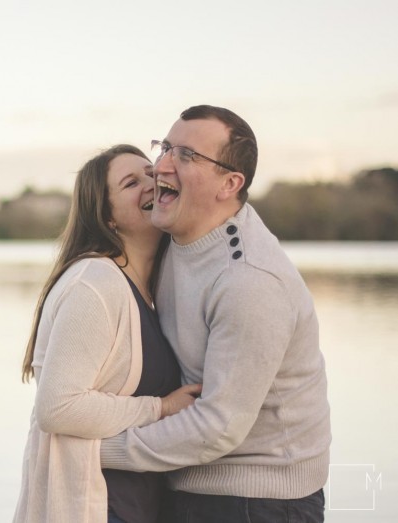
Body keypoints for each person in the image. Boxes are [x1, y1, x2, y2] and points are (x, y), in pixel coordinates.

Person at [100, 106, 332, 523]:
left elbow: (218, 427)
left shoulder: (250, 281)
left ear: (230, 183)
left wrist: (97, 449)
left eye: (186, 156)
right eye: (165, 147)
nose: (162, 166)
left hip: (255, 500)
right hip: (185, 480)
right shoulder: (174, 240)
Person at [13, 144, 202, 523]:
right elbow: (58, 407)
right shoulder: (95, 283)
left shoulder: (152, 289)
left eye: (152, 174)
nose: (151, 184)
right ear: (107, 218)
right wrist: (161, 408)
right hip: (94, 506)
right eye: (132, 183)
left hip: (137, 503)